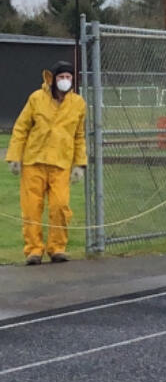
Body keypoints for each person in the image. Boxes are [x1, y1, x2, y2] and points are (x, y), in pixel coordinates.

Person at [5, 60, 88, 265]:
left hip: (61, 163)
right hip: (34, 161)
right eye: (61, 77)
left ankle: (57, 248)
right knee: (32, 208)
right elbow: (21, 128)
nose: (65, 81)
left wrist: (79, 164)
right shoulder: (36, 98)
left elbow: (79, 136)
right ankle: (33, 250)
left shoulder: (78, 103)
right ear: (52, 79)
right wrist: (15, 156)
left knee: (60, 206)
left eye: (68, 77)